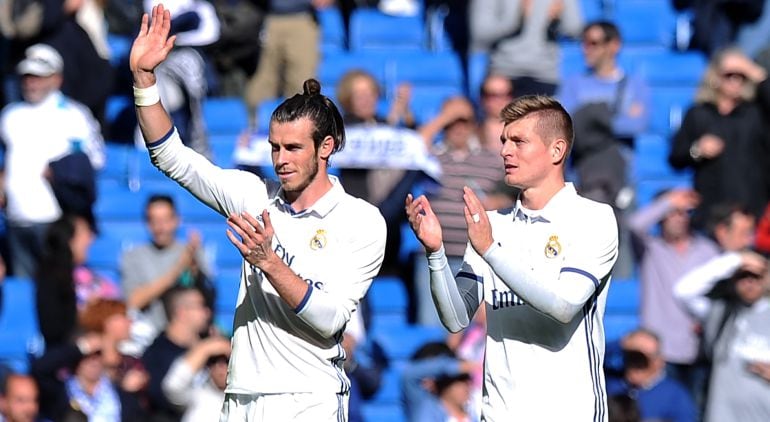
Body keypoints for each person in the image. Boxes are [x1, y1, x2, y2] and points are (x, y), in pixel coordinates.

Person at [129, 5, 387, 420]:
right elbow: (172, 158)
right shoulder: (254, 195)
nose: (280, 160)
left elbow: (329, 319)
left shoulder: (361, 220)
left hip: (308, 401)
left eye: (293, 148)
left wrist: (269, 261)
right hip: (241, 398)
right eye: (274, 148)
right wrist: (144, 81)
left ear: (326, 148)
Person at [405, 95, 619, 420]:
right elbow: (455, 318)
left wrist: (491, 250)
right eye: (504, 140)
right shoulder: (494, 225)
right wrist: (434, 252)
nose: (505, 150)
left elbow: (563, 306)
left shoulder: (593, 218)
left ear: (556, 150)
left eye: (519, 141)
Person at [0, 43, 105, 278]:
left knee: (54, 288)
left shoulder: (74, 115)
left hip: (56, 219)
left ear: (56, 78)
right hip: (17, 218)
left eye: (38, 76)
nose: (31, 82)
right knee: (24, 290)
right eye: (27, 76)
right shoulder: (10, 115)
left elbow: (95, 160)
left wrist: (62, 171)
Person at [626, 189, 719, 401]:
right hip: (660, 353)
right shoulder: (650, 249)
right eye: (671, 212)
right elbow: (634, 225)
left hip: (697, 350)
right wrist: (668, 201)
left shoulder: (708, 251)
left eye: (682, 212)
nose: (677, 218)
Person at [668, 47, 770, 230]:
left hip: (752, 211)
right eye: (729, 75)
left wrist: (755, 72)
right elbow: (676, 157)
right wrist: (697, 150)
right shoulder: (699, 113)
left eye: (742, 76)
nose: (736, 81)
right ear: (715, 77)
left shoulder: (755, 112)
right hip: (711, 213)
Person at [558, 20, 650, 209]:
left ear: (614, 45)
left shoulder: (633, 85)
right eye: (584, 43)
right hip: (582, 176)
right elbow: (564, 125)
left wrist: (592, 118)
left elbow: (637, 124)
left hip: (622, 178)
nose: (586, 49)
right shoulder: (574, 84)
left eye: (593, 43)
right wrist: (614, 119)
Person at [674, 250, 770, 422]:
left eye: (756, 276)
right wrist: (735, 260)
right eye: (743, 276)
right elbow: (683, 291)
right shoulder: (719, 312)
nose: (749, 282)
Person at [120, 194, 212, 343]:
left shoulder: (192, 253)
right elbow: (132, 302)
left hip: (188, 339)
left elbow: (207, 298)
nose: (160, 227)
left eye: (165, 220)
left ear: (176, 220)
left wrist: (196, 270)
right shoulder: (133, 257)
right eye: (154, 221)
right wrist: (177, 270)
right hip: (148, 339)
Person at [35, 214, 122, 349]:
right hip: (72, 350)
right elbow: (54, 329)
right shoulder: (51, 277)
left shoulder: (90, 275)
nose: (91, 238)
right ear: (70, 239)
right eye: (86, 233)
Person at [469, 0, 583, 96]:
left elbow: (575, 30)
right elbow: (480, 34)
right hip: (503, 75)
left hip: (545, 76)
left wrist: (557, 21)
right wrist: (516, 19)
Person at [141, 286, 212, 421]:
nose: (207, 312)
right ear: (181, 313)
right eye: (200, 306)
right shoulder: (156, 354)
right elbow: (162, 399)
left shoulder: (212, 349)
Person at [608, 329, 697, 422]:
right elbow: (597, 352)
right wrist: (623, 344)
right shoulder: (611, 382)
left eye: (643, 359)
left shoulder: (675, 395)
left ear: (659, 361)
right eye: (632, 356)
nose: (636, 363)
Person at [161, 332, 231, 422]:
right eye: (213, 360)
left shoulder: (248, 401)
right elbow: (173, 387)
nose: (219, 366)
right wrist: (206, 348)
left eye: (227, 360)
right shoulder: (199, 394)